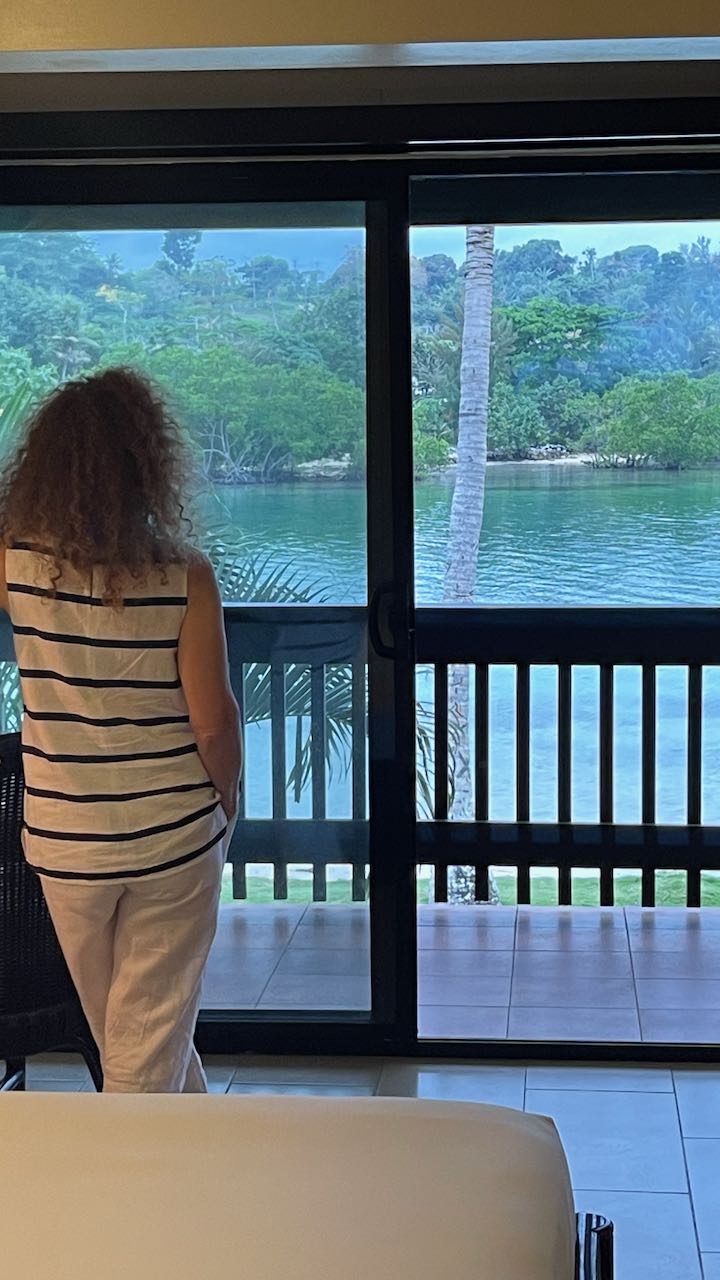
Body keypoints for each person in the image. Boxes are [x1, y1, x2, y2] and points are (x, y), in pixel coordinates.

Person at [0, 367, 242, 1093]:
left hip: (66, 841)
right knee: (145, 1038)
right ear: (148, 465)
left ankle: (191, 1147)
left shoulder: (15, 563)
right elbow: (214, 722)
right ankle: (137, 1166)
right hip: (171, 837)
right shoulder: (183, 576)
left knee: (134, 1033)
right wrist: (227, 802)